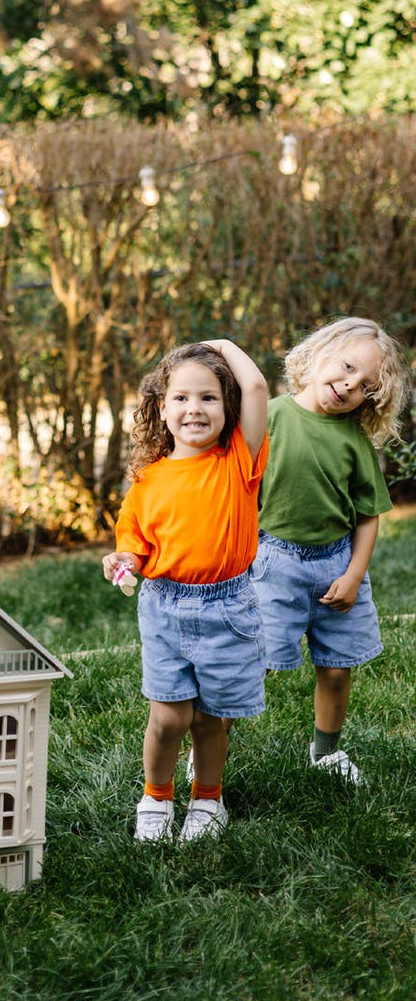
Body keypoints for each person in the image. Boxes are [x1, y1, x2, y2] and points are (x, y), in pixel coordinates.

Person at [103, 339, 269, 843]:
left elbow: (256, 385)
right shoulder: (147, 480)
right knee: (169, 716)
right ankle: (156, 797)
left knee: (211, 720)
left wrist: (219, 345)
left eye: (209, 397)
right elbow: (135, 543)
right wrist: (124, 560)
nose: (194, 408)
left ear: (228, 408)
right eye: (181, 397)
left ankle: (207, 799)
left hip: (228, 607)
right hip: (165, 608)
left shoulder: (238, 460)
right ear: (161, 407)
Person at [251, 316, 410, 784]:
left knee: (337, 670)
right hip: (273, 564)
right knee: (250, 667)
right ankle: (208, 754)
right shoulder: (271, 418)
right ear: (320, 352)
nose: (348, 385)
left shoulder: (354, 440)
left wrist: (354, 575)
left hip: (337, 565)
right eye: (347, 367)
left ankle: (326, 752)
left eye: (365, 387)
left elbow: (368, 515)